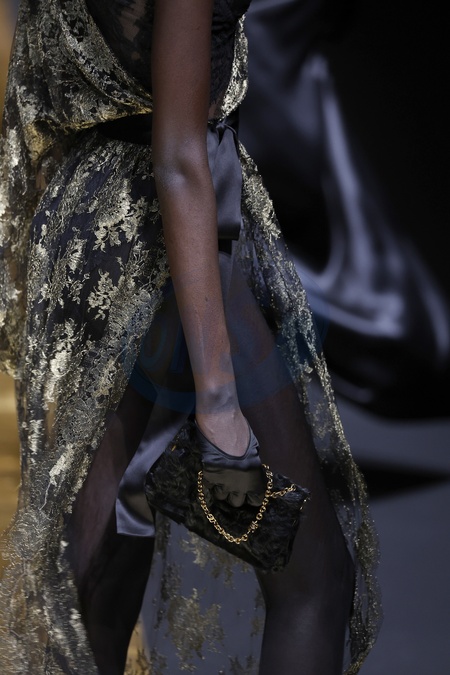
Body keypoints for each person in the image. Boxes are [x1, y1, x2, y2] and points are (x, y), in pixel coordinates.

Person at [0, 1, 381, 673]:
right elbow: (178, 157)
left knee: (95, 592)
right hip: (171, 242)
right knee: (314, 583)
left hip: (89, 229)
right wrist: (219, 401)